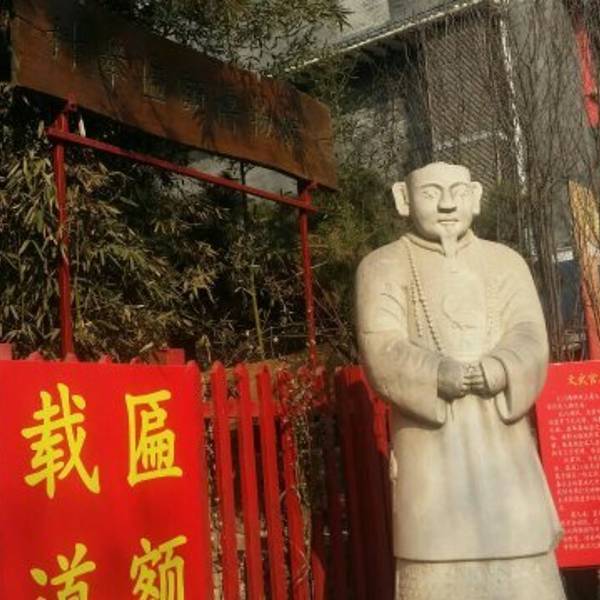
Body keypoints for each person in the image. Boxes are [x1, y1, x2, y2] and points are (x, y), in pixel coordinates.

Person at [355, 162, 565, 599]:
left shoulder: (506, 263)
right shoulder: (382, 266)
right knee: (433, 560)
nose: (448, 204)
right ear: (403, 199)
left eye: (457, 192)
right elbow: (382, 345)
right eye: (431, 193)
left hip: (504, 447)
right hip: (430, 449)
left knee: (524, 557)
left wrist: (502, 367)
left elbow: (529, 333)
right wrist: (437, 373)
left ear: (475, 197)